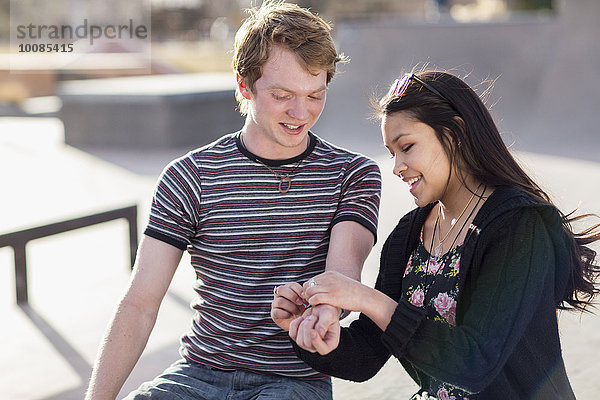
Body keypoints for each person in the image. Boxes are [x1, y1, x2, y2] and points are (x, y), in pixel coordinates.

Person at [85, 2, 381, 399]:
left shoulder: (353, 175)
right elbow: (140, 304)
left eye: (315, 95)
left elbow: (342, 278)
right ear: (244, 85)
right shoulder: (188, 176)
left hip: (295, 382)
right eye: (282, 95)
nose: (301, 112)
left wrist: (325, 311)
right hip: (197, 375)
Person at [273, 70, 600, 399]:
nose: (397, 166)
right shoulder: (408, 235)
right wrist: (309, 331)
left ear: (455, 132)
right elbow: (367, 357)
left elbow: (474, 363)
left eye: (407, 147)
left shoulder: (519, 225)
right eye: (392, 153)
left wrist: (365, 298)